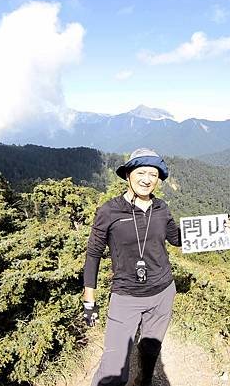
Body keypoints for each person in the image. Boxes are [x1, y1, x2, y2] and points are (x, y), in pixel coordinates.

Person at [82, 148, 180, 386]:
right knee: (114, 369)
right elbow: (93, 254)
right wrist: (89, 299)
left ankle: (143, 381)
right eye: (141, 172)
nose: (147, 179)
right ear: (128, 175)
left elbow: (176, 238)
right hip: (126, 296)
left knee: (149, 351)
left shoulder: (161, 208)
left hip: (163, 292)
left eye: (153, 174)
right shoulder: (109, 211)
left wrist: (215, 229)